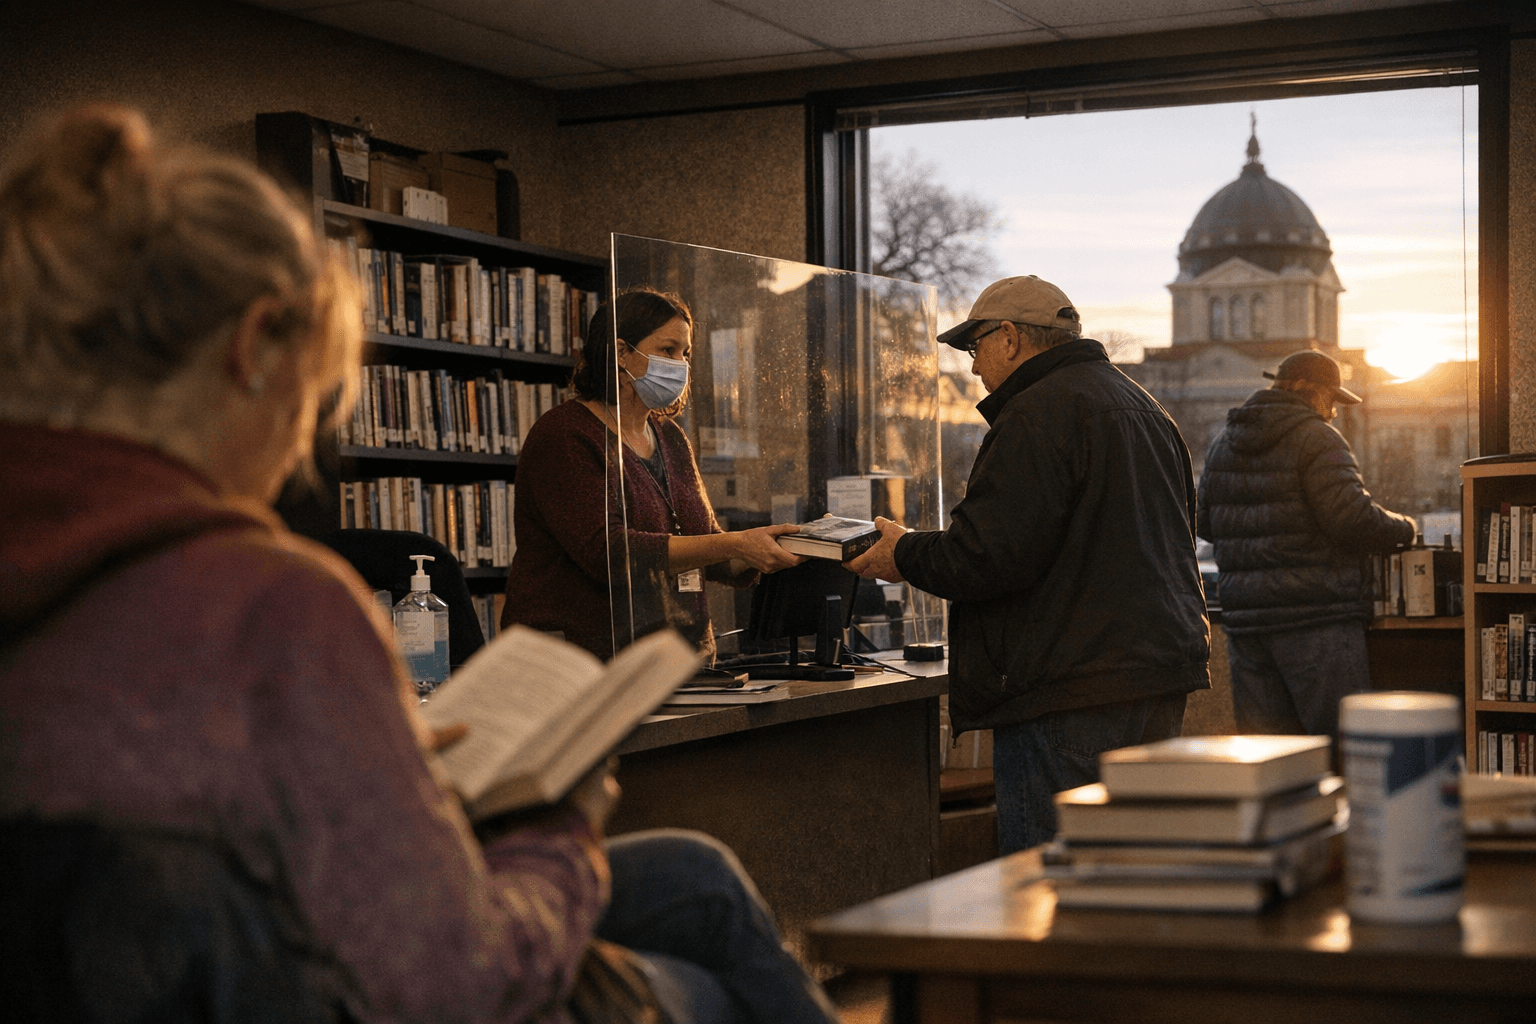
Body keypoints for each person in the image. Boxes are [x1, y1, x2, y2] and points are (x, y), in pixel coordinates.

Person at [0, 104, 837, 1024]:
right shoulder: (271, 607)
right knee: (708, 969)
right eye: (318, 391)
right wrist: (554, 824)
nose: (299, 443)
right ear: (253, 349)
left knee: (689, 873)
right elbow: (452, 979)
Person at [848, 275, 1211, 854]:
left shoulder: (1038, 413)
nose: (973, 368)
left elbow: (986, 556)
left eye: (976, 348)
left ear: (1010, 338)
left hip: (1067, 693)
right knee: (1129, 876)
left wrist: (905, 552)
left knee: (1048, 888)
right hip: (1156, 676)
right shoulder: (1144, 408)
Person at [501, 288, 802, 660]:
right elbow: (608, 554)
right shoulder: (564, 435)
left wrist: (783, 547)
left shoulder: (669, 436)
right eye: (668, 350)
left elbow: (704, 543)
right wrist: (736, 544)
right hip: (582, 664)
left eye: (686, 353)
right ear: (622, 353)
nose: (681, 364)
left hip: (673, 661)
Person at [1198, 350, 1416, 740]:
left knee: (1272, 764)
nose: (1333, 412)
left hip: (1248, 628)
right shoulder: (1317, 437)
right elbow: (1351, 519)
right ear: (1310, 391)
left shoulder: (1222, 444)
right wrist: (1405, 528)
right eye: (1332, 400)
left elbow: (1206, 524)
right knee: (1342, 750)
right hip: (1316, 621)